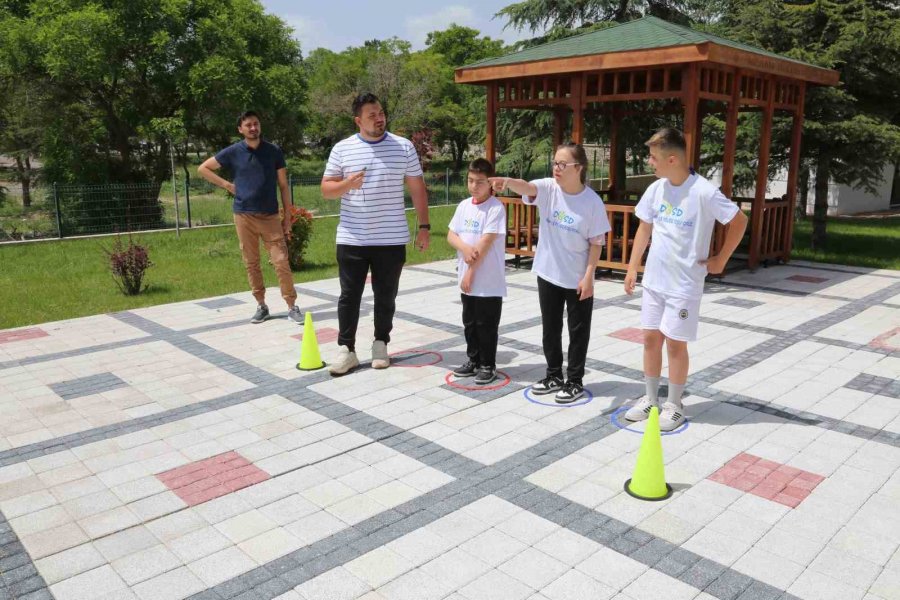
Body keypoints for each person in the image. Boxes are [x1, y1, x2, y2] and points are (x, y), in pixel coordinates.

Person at [624, 127, 748, 431]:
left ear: (671, 159)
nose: (649, 163)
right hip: (655, 282)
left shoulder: (703, 191)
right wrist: (632, 266)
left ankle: (675, 403)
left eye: (653, 158)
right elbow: (644, 228)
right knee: (651, 339)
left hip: (684, 285)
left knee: (676, 345)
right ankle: (651, 397)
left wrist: (721, 258)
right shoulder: (656, 189)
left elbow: (739, 220)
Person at [490, 143, 611, 403]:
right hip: (548, 272)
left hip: (577, 278)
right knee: (550, 328)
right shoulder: (549, 188)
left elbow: (597, 242)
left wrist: (589, 275)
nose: (556, 168)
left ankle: (575, 380)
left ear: (578, 168)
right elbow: (527, 187)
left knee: (578, 331)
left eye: (562, 164)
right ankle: (554, 375)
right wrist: (508, 181)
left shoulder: (592, 202)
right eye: (555, 163)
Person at [321, 93, 430, 376]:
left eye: (381, 112)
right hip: (352, 238)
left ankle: (381, 343)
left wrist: (425, 226)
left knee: (385, 295)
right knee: (349, 295)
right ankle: (347, 350)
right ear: (358, 120)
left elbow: (417, 187)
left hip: (391, 238)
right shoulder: (342, 149)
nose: (379, 118)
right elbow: (326, 190)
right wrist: (347, 183)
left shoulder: (403, 147)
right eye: (372, 115)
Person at [198, 111, 301, 324]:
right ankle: (261, 306)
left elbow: (283, 185)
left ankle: (292, 306)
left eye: (256, 124)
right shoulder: (233, 152)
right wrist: (227, 185)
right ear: (241, 129)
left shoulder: (273, 151)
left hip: (270, 216)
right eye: (248, 125)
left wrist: (287, 216)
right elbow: (203, 168)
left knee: (281, 261)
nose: (253, 128)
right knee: (251, 262)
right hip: (243, 216)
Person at [447, 158, 507, 385]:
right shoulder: (463, 206)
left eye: (480, 182)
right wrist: (463, 247)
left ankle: (487, 364)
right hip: (466, 278)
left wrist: (470, 271)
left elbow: (486, 242)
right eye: (471, 181)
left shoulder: (495, 208)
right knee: (469, 322)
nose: (474, 186)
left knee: (486, 324)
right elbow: (451, 235)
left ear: (491, 183)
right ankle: (473, 360)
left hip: (487, 280)